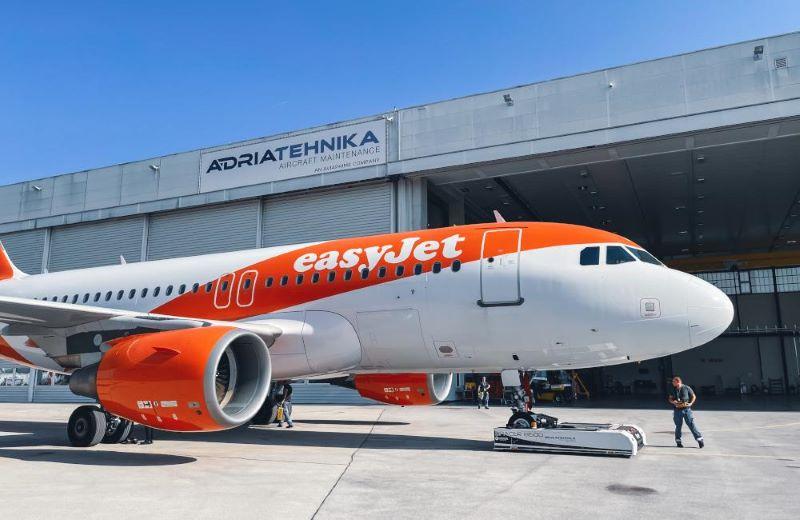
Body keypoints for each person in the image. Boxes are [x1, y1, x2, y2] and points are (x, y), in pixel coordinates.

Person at [668, 376, 704, 448]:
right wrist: (673, 402)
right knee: (678, 426)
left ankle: (699, 439)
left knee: (691, 424)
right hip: (677, 410)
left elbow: (693, 396)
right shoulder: (673, 389)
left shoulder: (686, 388)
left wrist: (691, 403)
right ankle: (678, 441)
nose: (672, 383)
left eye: (673, 382)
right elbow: (670, 398)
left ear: (678, 382)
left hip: (686, 409)